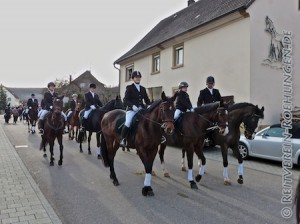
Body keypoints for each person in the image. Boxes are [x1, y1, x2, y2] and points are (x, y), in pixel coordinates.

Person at [120, 71, 151, 147]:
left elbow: (146, 99)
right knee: (128, 122)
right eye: (136, 77)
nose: (138, 78)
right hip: (132, 109)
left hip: (142, 109)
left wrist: (149, 105)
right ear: (133, 78)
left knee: (151, 120)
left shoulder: (143, 88)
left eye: (139, 77)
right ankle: (123, 139)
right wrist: (132, 106)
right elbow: (125, 100)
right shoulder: (129, 88)